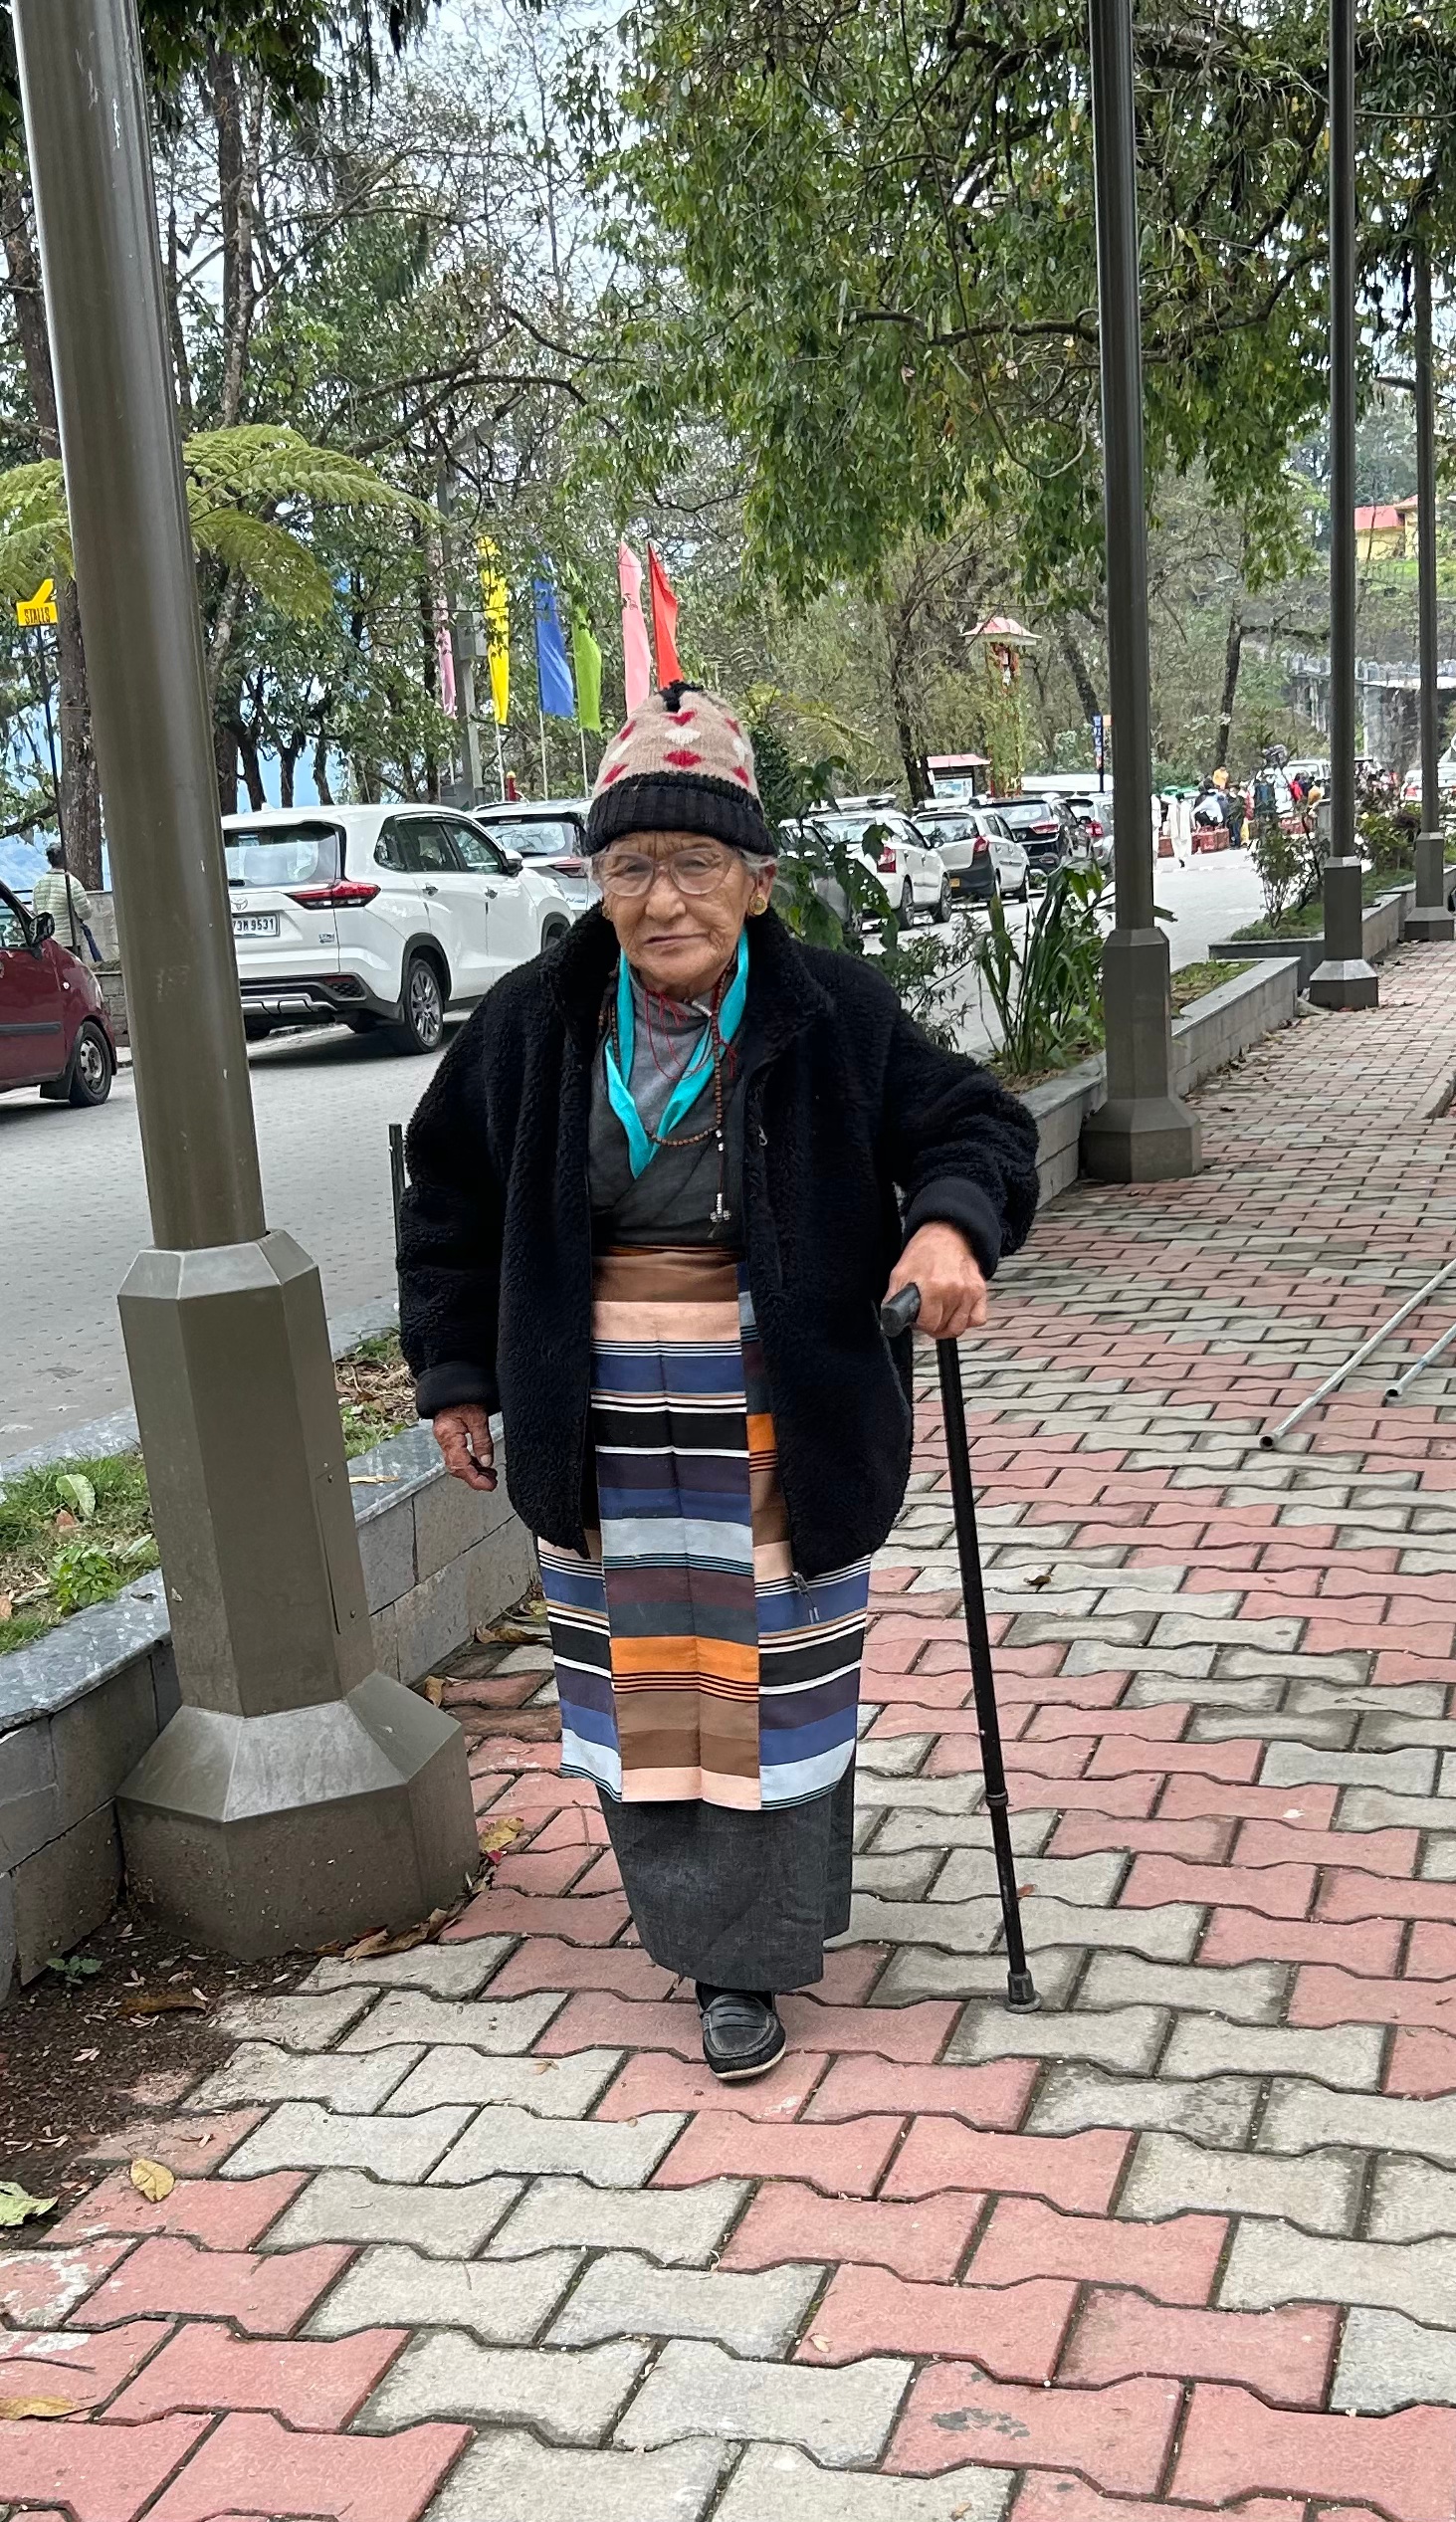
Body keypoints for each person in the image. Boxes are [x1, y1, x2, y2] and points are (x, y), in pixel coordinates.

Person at [398, 682, 1040, 2079]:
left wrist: (947, 1224)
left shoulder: (833, 1013)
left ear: (757, 879)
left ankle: (756, 1939)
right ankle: (718, 1949)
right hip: (601, 1411)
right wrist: (455, 1371)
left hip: (777, 1407)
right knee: (650, 1684)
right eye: (630, 865)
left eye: (695, 863)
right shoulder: (534, 1022)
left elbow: (976, 1124)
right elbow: (447, 1193)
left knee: (771, 1677)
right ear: (597, 881)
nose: (661, 898)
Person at [31, 840, 101, 961]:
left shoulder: (38, 885)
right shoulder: (72, 883)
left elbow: (36, 912)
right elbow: (85, 913)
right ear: (66, 859)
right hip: (69, 941)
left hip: (47, 942)